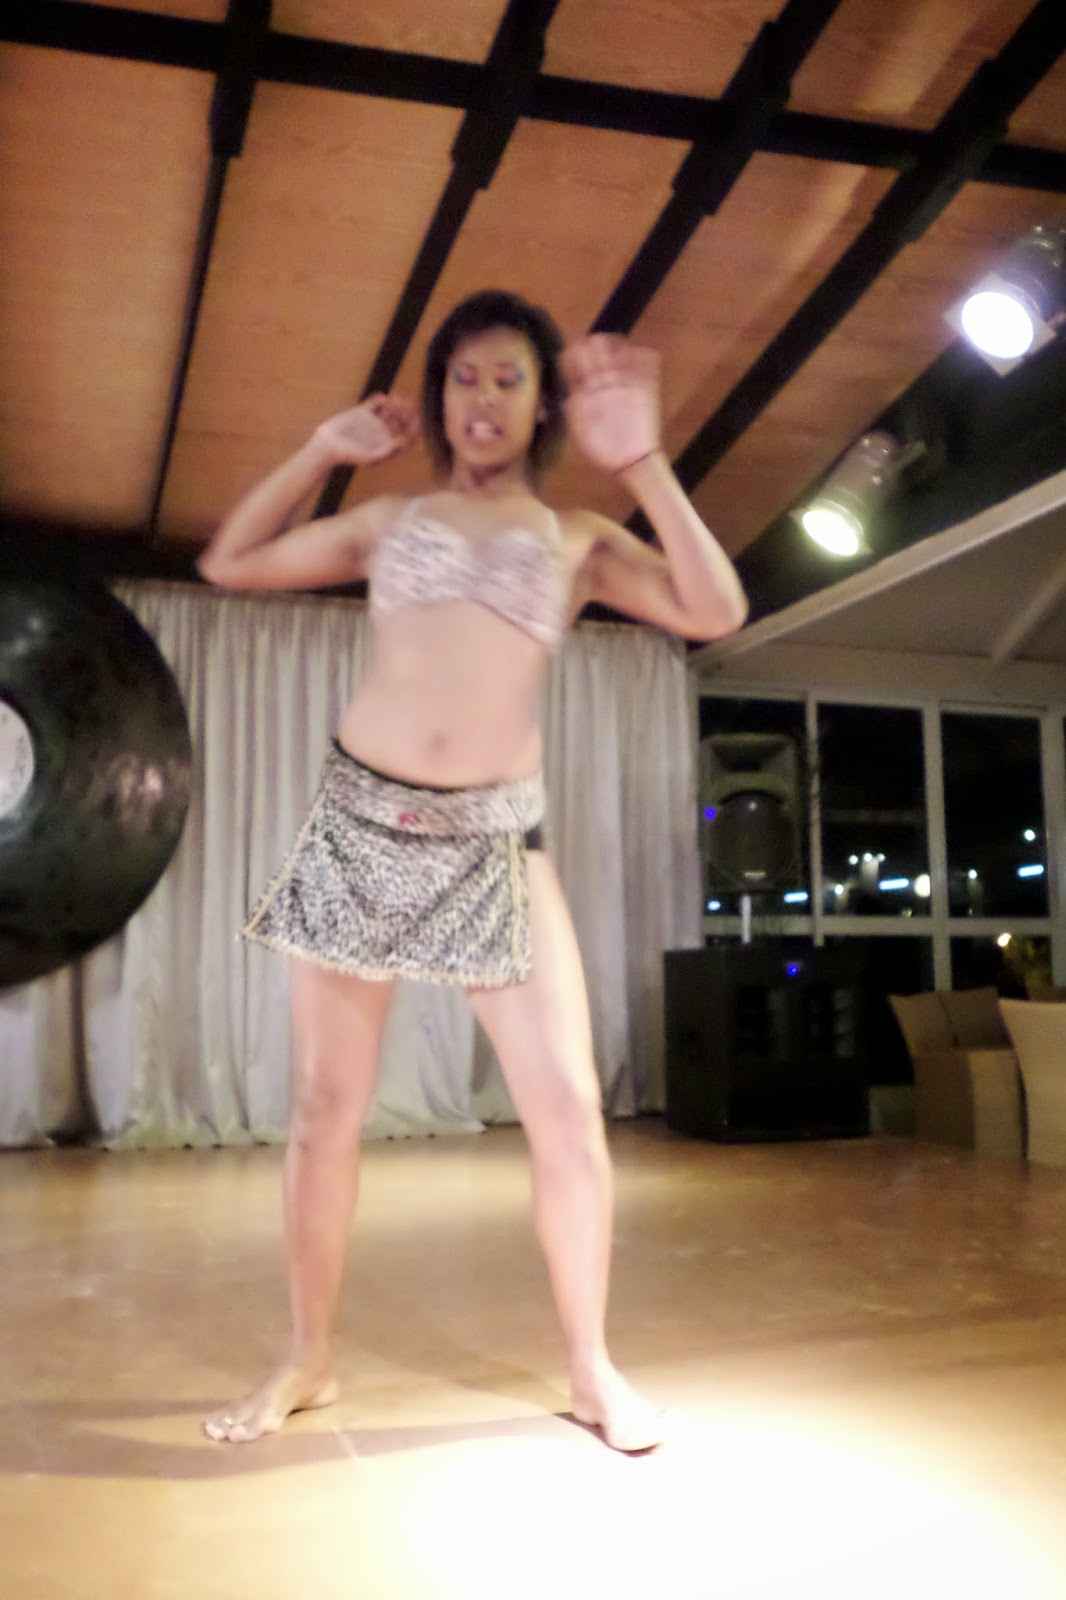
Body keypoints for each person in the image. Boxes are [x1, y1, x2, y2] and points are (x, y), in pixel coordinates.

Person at [196, 289, 748, 1452]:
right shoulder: (386, 519)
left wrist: (642, 463)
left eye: (508, 378)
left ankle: (592, 1367)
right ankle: (307, 1357)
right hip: (359, 828)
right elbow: (229, 559)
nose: (483, 398)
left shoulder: (579, 539)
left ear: (543, 403)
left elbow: (714, 607)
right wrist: (322, 449)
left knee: (568, 1112)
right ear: (438, 394)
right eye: (463, 377)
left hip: (495, 842)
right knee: (323, 1112)